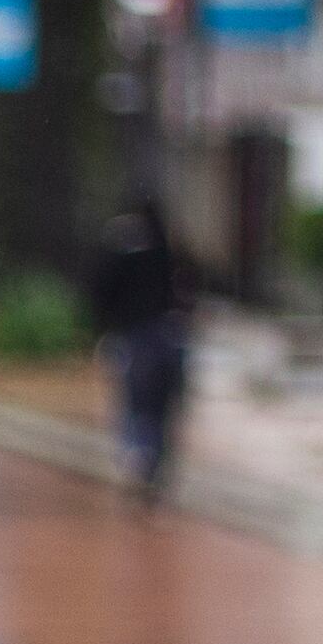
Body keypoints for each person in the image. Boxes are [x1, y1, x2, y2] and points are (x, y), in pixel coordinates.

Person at [87, 194, 189, 502]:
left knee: (137, 401)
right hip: (167, 334)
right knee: (161, 404)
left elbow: (101, 291)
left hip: (135, 336)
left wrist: (104, 326)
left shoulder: (122, 249)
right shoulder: (167, 249)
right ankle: (153, 462)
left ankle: (139, 458)